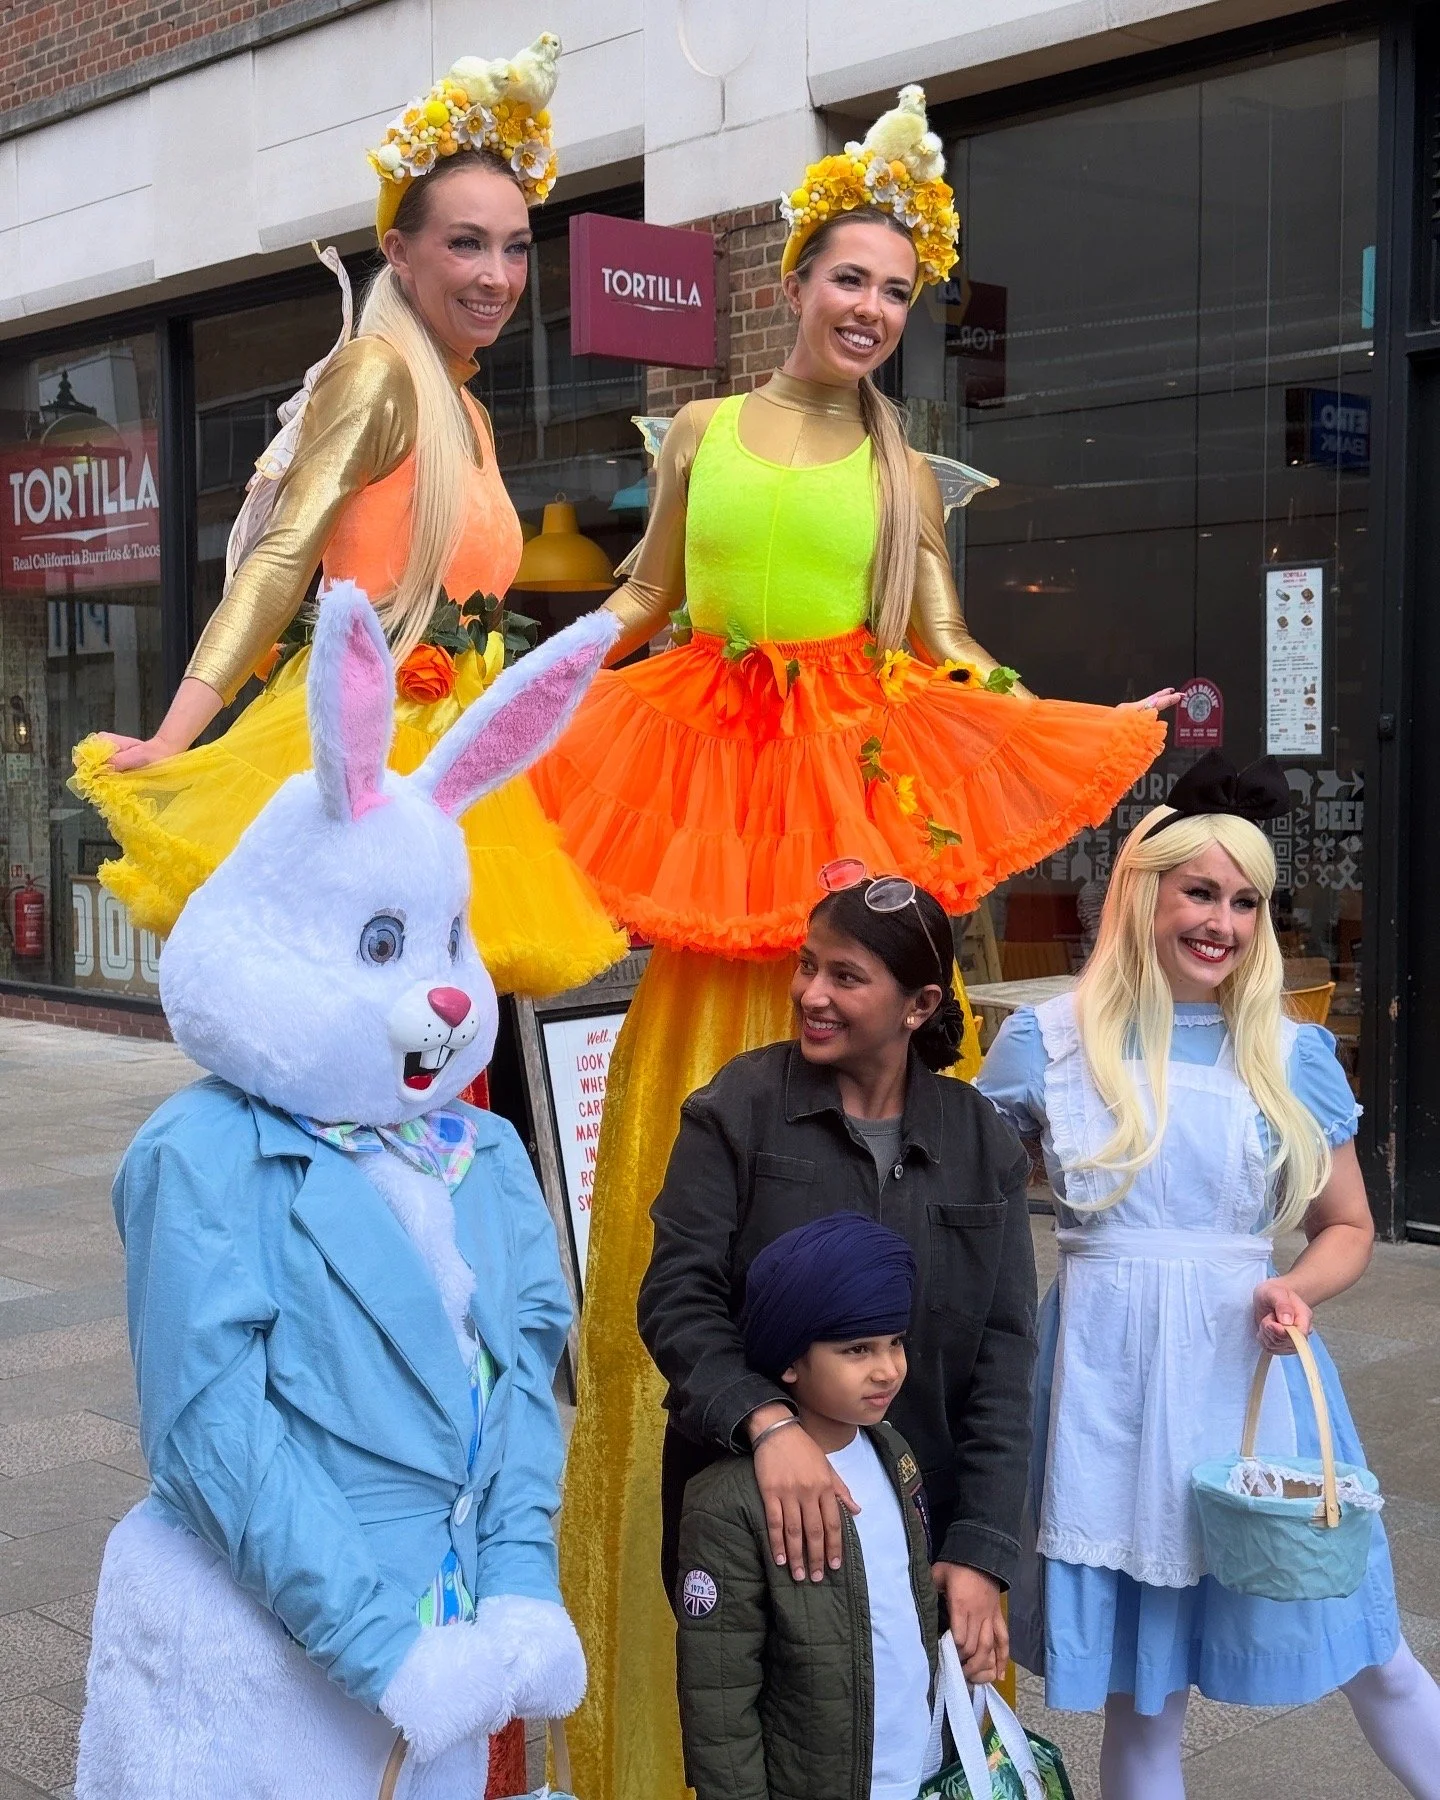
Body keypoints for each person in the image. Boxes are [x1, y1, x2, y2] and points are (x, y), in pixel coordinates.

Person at [529, 84, 1174, 1798]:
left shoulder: (910, 471)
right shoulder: (699, 440)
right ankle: (687, 1607)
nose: (872, 309)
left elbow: (948, 650)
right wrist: (523, 698)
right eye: (851, 279)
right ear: (794, 279)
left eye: (899, 292)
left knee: (850, 1153)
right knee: (701, 1159)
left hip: (836, 833)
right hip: (709, 802)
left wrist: (1052, 723)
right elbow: (646, 602)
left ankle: (863, 1611)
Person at [70, 36, 624, 1000]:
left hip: (460, 757)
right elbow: (282, 557)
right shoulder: (377, 375)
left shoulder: (472, 411)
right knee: (369, 1018)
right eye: (466, 243)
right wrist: (176, 736)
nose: (497, 275)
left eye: (515, 246)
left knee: (445, 1032)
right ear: (399, 253)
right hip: (377, 748)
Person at [974, 750, 1440, 1800]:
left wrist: (1300, 1288)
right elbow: (963, 1204)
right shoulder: (1039, 1046)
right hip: (1106, 1395)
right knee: (1145, 1700)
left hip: (1255, 1378)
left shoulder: (1292, 1052)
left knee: (1374, 1651)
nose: (1222, 923)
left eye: (1246, 901)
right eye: (1200, 892)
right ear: (1144, 890)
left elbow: (1350, 1226)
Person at [641, 876, 1036, 1772]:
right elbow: (675, 1297)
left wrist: (980, 1551)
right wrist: (766, 1424)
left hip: (922, 1530)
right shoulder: (737, 1110)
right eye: (807, 965)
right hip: (765, 1532)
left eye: (847, 978)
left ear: (920, 1004)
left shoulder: (980, 1142)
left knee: (916, 1759)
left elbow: (1005, 1361)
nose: (811, 994)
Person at [675, 1212, 942, 1800]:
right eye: (857, 1349)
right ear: (790, 1359)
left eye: (895, 1342)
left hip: (911, 1766)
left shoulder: (893, 1453)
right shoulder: (729, 1502)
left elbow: (908, 1605)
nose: (887, 1369)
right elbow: (719, 1699)